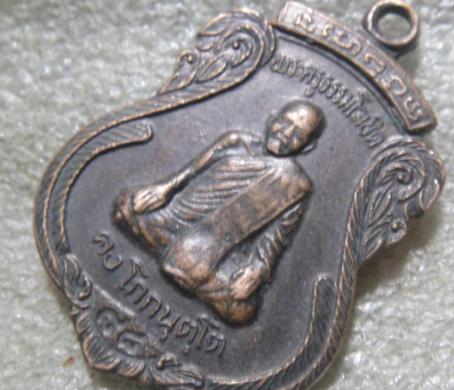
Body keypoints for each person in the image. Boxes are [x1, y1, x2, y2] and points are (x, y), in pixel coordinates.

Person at [114, 101, 324, 323]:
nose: (286, 134)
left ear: (306, 147)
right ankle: (180, 261)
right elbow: (191, 171)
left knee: (242, 309)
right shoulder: (236, 141)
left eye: (298, 134)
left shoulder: (295, 186)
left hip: (216, 253)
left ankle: (177, 258)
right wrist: (163, 189)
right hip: (174, 222)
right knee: (127, 206)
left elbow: (275, 239)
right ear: (273, 119)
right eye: (285, 123)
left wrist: (257, 271)